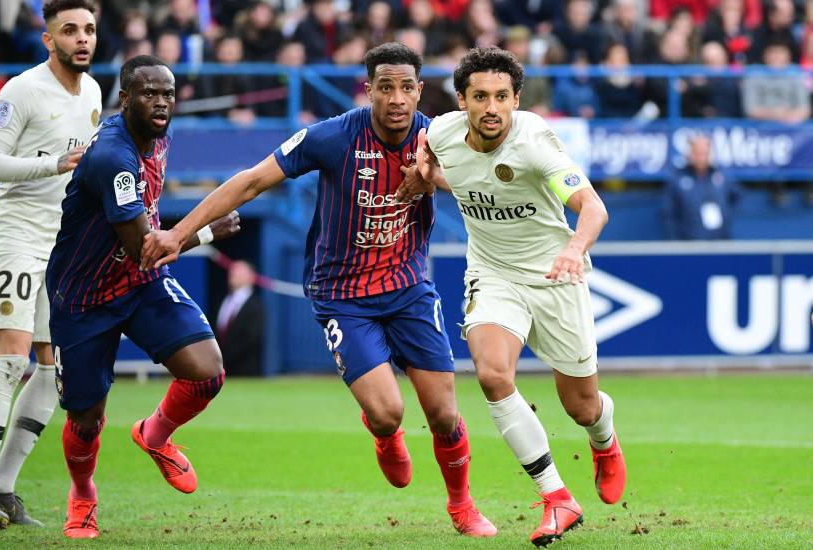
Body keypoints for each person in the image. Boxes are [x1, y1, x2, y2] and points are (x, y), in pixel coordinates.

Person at [140, 42, 497, 538]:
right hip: (343, 295)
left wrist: (433, 178)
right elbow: (251, 181)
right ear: (367, 89)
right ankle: (383, 434)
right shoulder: (332, 137)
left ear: (420, 92)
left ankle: (462, 507)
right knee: (388, 411)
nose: (397, 98)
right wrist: (179, 233)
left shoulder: (439, 139)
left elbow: (484, 186)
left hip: (410, 287)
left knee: (443, 414)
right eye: (386, 87)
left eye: (407, 88)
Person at [403, 47, 626, 547]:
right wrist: (424, 175)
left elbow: (592, 207)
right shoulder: (439, 133)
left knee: (582, 406)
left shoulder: (535, 141)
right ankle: (556, 497)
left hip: (554, 275)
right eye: (479, 97)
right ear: (461, 100)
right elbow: (453, 175)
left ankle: (604, 440)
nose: (491, 108)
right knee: (492, 374)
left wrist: (573, 250)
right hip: (493, 273)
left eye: (501, 97)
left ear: (515, 99)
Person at [44, 55, 239, 539]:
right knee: (86, 419)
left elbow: (141, 258)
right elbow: (142, 248)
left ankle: (154, 434)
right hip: (85, 296)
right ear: (125, 98)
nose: (161, 103)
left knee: (208, 371)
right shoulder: (114, 157)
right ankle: (83, 494)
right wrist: (206, 232)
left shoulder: (156, 134)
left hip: (138, 284)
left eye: (168, 94)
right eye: (149, 94)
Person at [0, 0, 102, 529]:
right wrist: (52, 164)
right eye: (70, 30)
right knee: (11, 359)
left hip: (59, 243)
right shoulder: (20, 90)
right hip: (15, 234)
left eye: (89, 29)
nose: (82, 39)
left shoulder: (91, 92)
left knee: (50, 369)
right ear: (48, 39)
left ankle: (4, 489)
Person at [663, 134, 740, 240]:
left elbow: (735, 199)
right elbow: (669, 214)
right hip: (689, 244)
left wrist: (726, 220)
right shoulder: (677, 179)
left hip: (720, 242)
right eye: (697, 153)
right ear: (689, 154)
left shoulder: (721, 176)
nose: (700, 157)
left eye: (704, 153)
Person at [216, 260, 265, 376]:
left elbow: (251, 338)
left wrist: (226, 358)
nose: (233, 275)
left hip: (244, 371)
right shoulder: (223, 301)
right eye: (232, 272)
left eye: (238, 273)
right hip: (220, 370)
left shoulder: (256, 305)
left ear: (251, 277)